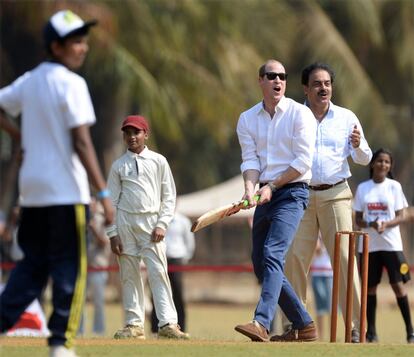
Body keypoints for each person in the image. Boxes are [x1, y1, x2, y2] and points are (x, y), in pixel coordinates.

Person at [0, 9, 114, 357]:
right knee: (70, 268)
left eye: (84, 41)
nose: (83, 48)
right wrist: (103, 192)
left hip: (32, 193)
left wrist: (20, 137)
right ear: (56, 46)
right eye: (76, 42)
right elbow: (81, 142)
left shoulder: (30, 81)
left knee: (32, 266)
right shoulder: (73, 84)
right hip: (66, 194)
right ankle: (60, 344)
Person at [283, 62, 372, 343]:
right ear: (306, 89)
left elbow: (365, 158)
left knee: (345, 260)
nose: (324, 88)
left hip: (336, 195)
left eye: (327, 83)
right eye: (317, 84)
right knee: (295, 259)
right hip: (300, 195)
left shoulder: (346, 117)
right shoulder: (293, 117)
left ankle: (355, 327)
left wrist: (357, 145)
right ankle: (297, 326)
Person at [234, 59, 317, 342]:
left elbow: (303, 161)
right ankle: (303, 324)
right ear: (260, 80)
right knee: (260, 262)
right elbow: (250, 159)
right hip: (265, 194)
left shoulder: (299, 114)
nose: (278, 81)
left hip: (293, 191)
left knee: (272, 254)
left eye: (282, 76)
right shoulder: (247, 119)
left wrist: (271, 185)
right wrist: (249, 187)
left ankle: (261, 322)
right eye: (271, 76)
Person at [106, 115, 189, 340]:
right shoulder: (118, 166)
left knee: (158, 273)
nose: (132, 137)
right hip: (125, 223)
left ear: (146, 134)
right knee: (129, 275)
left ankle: (167, 324)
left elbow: (169, 196)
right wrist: (113, 234)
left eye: (137, 132)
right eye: (128, 133)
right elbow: (111, 202)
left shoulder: (158, 161)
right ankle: (134, 325)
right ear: (123, 136)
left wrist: (162, 223)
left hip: (152, 223)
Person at [353, 148, 414, 344]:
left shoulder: (394, 186)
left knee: (398, 286)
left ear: (390, 166)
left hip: (391, 245)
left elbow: (402, 216)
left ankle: (410, 332)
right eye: (379, 161)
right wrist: (371, 224)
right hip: (369, 246)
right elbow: (358, 219)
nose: (383, 165)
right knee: (370, 288)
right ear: (372, 164)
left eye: (387, 162)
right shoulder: (363, 188)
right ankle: (371, 333)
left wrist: (386, 224)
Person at [150, 210, 195, 333]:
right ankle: (155, 328)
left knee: (178, 295)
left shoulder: (183, 221)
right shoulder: (156, 219)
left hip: (177, 259)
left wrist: (185, 258)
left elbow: (189, 242)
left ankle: (181, 327)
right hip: (161, 258)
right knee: (157, 292)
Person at [78, 197, 111, 336]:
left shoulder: (102, 220)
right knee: (79, 302)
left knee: (98, 302)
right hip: (82, 267)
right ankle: (79, 330)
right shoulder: (80, 220)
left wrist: (93, 228)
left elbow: (104, 242)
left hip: (98, 267)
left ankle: (99, 331)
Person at [310, 237, 333, 340]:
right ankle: (320, 336)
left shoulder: (331, 232)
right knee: (319, 308)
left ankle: (332, 334)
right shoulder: (315, 232)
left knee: (331, 308)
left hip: (330, 273)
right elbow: (315, 251)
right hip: (316, 274)